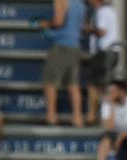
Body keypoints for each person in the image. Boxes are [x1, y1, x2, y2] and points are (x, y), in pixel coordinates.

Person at [39, 0, 86, 129]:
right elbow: (81, 26)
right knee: (73, 84)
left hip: (62, 45)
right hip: (75, 46)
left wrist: (44, 24)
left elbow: (58, 21)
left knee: (50, 82)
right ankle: (77, 118)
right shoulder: (80, 4)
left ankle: (51, 116)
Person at [84, 0, 124, 124]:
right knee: (101, 84)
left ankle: (93, 116)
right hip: (110, 52)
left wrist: (87, 29)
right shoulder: (108, 11)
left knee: (94, 84)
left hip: (104, 52)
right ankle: (101, 115)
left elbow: (102, 31)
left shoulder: (102, 11)